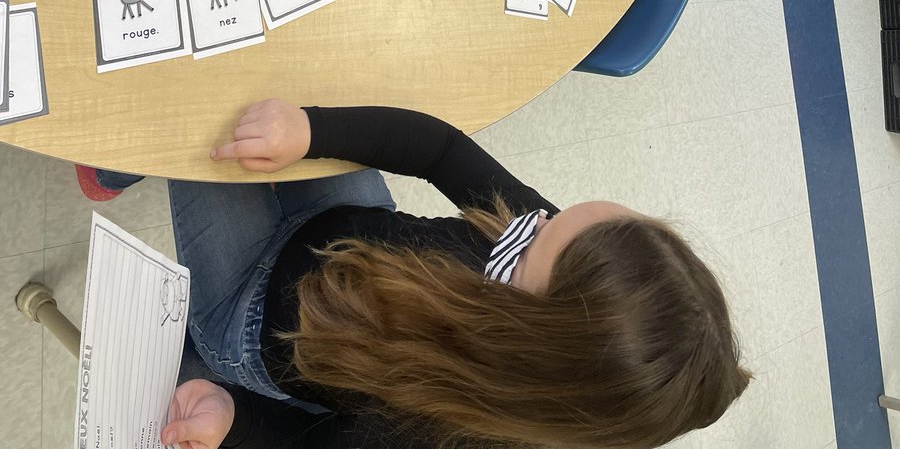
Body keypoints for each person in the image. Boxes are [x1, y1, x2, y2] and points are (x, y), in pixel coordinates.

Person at [81, 101, 750, 449]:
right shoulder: (553, 251)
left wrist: (235, 420)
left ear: (529, 337)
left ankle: (111, 168)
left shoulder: (441, 433)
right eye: (557, 216)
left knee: (194, 128)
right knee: (265, 104)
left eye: (536, 243)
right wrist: (310, 129)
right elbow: (439, 148)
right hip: (350, 237)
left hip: (252, 319)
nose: (532, 219)